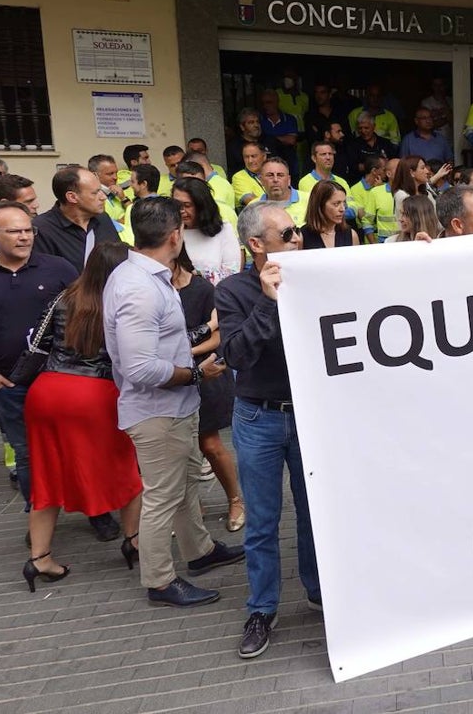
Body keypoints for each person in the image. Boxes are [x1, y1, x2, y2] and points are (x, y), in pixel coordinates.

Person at [104, 197, 242, 608]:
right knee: (162, 496)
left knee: (183, 486)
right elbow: (141, 367)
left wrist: (200, 338)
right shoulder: (139, 287)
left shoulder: (145, 277)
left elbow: (163, 342)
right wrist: (198, 373)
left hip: (175, 407)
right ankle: (160, 581)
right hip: (156, 412)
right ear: (175, 235)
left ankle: (199, 552)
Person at [215, 202, 319, 658]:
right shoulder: (234, 291)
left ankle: (321, 593)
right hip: (258, 416)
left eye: (298, 232)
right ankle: (262, 608)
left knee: (315, 513)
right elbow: (235, 355)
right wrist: (267, 300)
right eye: (287, 233)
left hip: (310, 414)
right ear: (256, 245)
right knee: (261, 521)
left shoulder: (315, 277)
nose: (297, 239)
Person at [21, 241, 143, 591]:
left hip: (45, 392)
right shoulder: (122, 302)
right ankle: (133, 540)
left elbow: (37, 347)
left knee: (46, 478)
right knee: (127, 469)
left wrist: (11, 382)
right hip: (94, 395)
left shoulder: (63, 298)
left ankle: (39, 558)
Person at [0, 202, 78, 514]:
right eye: (14, 231)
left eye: (28, 230)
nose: (24, 237)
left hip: (62, 379)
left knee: (73, 448)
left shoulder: (59, 269)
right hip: (10, 382)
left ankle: (95, 512)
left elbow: (85, 316)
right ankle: (38, 519)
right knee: (26, 453)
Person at [169, 246, 244, 535]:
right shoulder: (156, 291)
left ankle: (235, 500)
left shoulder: (201, 288)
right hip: (173, 377)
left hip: (206, 373)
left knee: (210, 444)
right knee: (181, 450)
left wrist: (186, 351)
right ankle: (192, 506)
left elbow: (220, 334)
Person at [34, 167, 121, 274]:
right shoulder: (42, 229)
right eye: (95, 193)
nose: (103, 197)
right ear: (72, 197)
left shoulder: (103, 218)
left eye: (102, 190)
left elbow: (119, 258)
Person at [171, 177, 241, 286]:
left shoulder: (224, 231)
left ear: (201, 206)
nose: (182, 211)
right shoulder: (170, 232)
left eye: (187, 205)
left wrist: (194, 276)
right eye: (177, 205)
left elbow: (232, 273)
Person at [300, 180, 360, 249]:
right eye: (336, 204)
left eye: (344, 203)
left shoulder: (351, 235)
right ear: (320, 205)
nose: (342, 209)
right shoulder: (302, 237)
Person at [257, 157, 309, 227]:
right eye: (270, 175)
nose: (275, 180)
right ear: (261, 180)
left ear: (289, 180)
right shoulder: (253, 207)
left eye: (280, 175)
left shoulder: (310, 200)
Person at [390, 156, 436, 220]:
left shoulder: (427, 193)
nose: (427, 171)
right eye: (422, 168)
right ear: (411, 173)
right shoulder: (402, 196)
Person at [88, 154, 130, 223]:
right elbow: (102, 224)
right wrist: (125, 220)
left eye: (116, 173)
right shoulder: (91, 196)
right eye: (110, 174)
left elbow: (136, 215)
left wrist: (123, 198)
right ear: (94, 175)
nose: (115, 177)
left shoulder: (118, 192)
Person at [231, 142, 267, 209]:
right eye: (246, 157)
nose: (250, 161)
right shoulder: (239, 177)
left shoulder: (272, 173)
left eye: (253, 156)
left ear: (264, 157)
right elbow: (251, 201)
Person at [420, 77, 454, 146]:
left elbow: (454, 122)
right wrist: (446, 119)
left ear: (444, 86)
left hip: (450, 141)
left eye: (440, 85)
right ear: (432, 87)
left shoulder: (451, 101)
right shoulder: (426, 102)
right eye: (436, 85)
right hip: (433, 142)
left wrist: (444, 102)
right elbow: (428, 125)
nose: (438, 88)